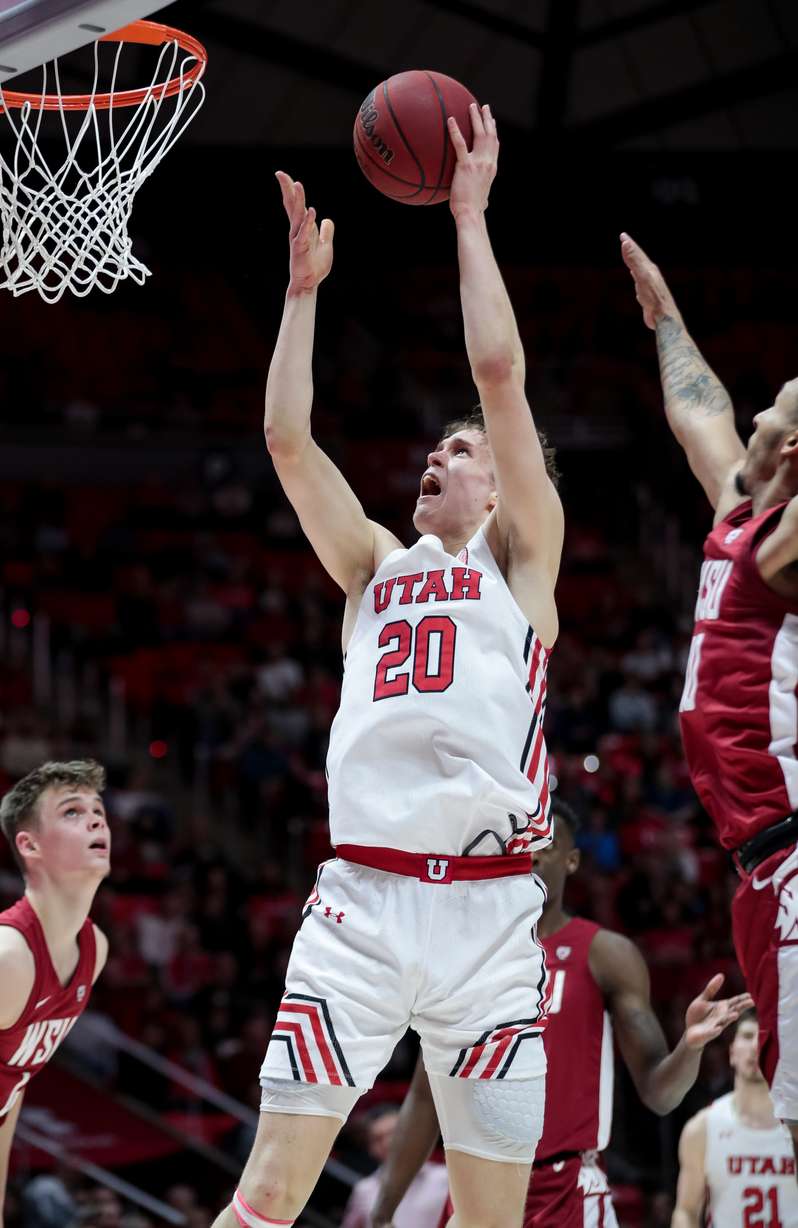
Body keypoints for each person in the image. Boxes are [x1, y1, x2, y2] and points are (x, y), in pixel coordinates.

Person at [211, 102, 564, 1228]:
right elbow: (285, 442)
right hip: (363, 901)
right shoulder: (372, 562)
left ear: (503, 488)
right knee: (267, 1197)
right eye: (434, 447)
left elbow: (501, 374)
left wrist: (470, 217)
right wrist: (301, 296)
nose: (438, 456)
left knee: (494, 1218)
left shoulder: (521, 562)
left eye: (459, 453)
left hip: (490, 919)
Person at [370, 799, 752, 1228]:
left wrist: (690, 1046)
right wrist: (383, 1212)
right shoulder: (465, 958)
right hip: (475, 1186)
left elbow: (659, 1093)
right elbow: (425, 1097)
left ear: (571, 861)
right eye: (521, 843)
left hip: (567, 1189)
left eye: (545, 843)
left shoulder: (606, 954)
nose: (531, 852)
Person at [621, 234, 798, 1155]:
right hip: (764, 866)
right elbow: (700, 417)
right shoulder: (744, 517)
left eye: (777, 406)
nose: (758, 408)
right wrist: (667, 318)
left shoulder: (782, 548)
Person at [0, 760, 111, 1221]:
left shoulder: (93, 948)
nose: (96, 818)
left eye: (98, 809)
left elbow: (12, 1087)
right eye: (71, 811)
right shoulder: (9, 959)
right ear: (29, 845)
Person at [672, 1010, 798, 1227]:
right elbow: (686, 1211)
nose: (756, 1045)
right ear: (731, 1052)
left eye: (767, 1037)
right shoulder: (702, 1127)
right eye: (748, 1036)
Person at [341, 1105, 447, 1228]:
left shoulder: (444, 1178)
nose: (388, 1142)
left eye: (394, 1132)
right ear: (370, 1148)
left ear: (413, 1134)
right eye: (378, 1139)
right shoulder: (364, 1189)